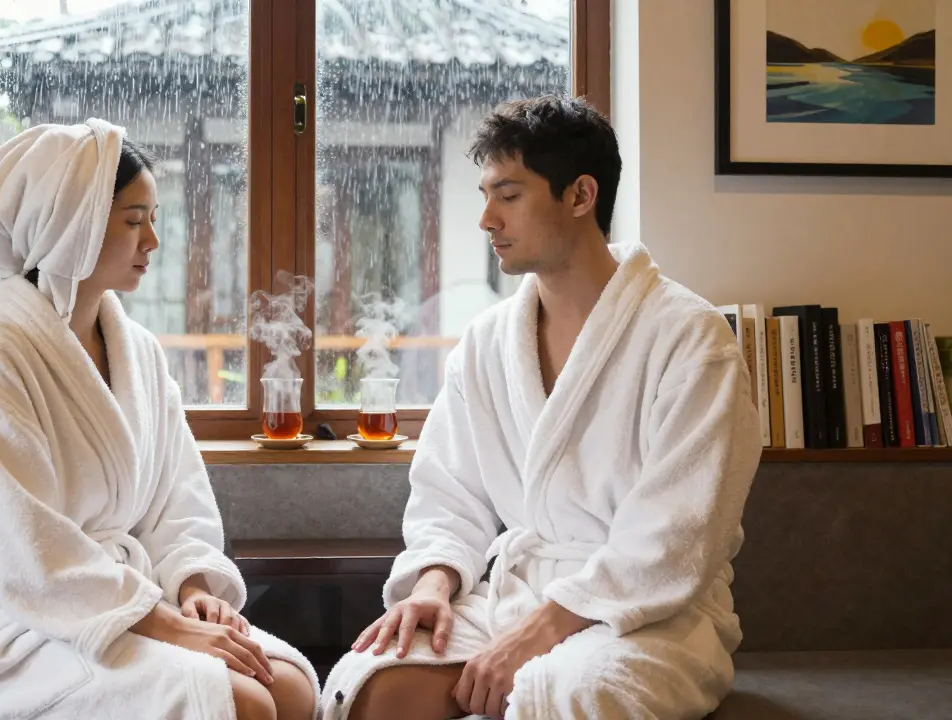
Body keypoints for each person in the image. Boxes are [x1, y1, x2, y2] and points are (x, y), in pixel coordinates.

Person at [319, 95, 762, 720]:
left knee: (567, 693)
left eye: (508, 195)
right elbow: (449, 494)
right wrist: (434, 585)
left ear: (580, 195)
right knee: (370, 688)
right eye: (485, 196)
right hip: (516, 593)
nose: (486, 219)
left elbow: (674, 537)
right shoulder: (488, 342)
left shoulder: (691, 339)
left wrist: (539, 635)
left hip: (648, 614)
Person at [0, 118, 318, 720]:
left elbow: (178, 498)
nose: (153, 241)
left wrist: (192, 589)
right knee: (244, 703)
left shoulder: (138, 352)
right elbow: (22, 548)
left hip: (129, 598)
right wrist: (165, 624)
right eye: (133, 221)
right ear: (71, 224)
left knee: (291, 689)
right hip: (12, 621)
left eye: (154, 219)